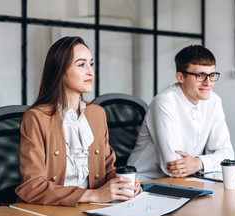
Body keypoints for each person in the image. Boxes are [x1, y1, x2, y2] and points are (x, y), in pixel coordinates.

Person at [15, 36, 141, 206]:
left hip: (92, 210)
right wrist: (94, 195)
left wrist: (125, 184)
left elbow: (108, 169)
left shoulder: (97, 113)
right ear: (60, 71)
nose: (91, 72)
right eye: (81, 65)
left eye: (91, 64)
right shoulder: (36, 118)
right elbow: (32, 186)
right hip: (49, 213)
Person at [127, 44, 234, 182]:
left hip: (186, 179)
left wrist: (199, 163)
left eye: (212, 75)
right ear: (180, 77)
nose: (208, 83)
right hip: (144, 182)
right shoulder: (164, 102)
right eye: (200, 75)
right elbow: (172, 166)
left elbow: (227, 154)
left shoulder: (214, 101)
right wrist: (204, 163)